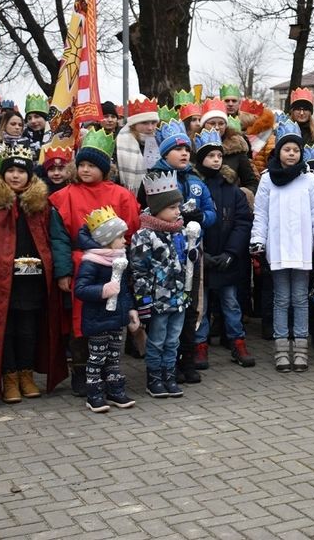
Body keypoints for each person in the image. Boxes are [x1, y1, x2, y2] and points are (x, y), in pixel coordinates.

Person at [49, 128, 142, 397]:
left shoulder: (121, 195)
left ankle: (110, 372)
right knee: (82, 321)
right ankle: (82, 370)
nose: (86, 170)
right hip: (83, 266)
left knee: (112, 320)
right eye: (82, 165)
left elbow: (132, 229)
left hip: (115, 264)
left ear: (104, 168)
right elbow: (59, 238)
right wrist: (64, 271)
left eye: (92, 165)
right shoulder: (65, 196)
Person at [0, 145, 66, 405]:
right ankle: (9, 376)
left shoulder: (40, 205)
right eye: (10, 170)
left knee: (28, 328)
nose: (15, 176)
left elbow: (51, 238)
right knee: (5, 329)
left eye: (20, 171)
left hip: (32, 280)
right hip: (0, 278)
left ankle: (26, 374)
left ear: (29, 175)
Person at [135, 119, 216, 384]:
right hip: (162, 257)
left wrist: (199, 217)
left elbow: (212, 214)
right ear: (164, 152)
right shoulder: (152, 179)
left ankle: (186, 359)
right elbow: (143, 212)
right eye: (177, 149)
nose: (184, 154)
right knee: (165, 316)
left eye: (187, 150)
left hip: (191, 254)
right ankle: (162, 369)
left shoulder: (196, 180)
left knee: (191, 306)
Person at [250, 120, 314, 372]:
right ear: (279, 152)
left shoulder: (309, 181)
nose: (291, 153)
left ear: (301, 153)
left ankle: (301, 349)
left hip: (303, 248)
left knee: (300, 299)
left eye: (296, 150)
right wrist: (257, 242)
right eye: (287, 149)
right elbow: (261, 214)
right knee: (281, 299)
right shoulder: (267, 180)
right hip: (279, 247)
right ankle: (282, 349)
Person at [131, 170, 201, 398]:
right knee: (157, 341)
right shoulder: (144, 236)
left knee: (173, 341)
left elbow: (187, 264)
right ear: (158, 208)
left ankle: (169, 375)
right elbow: (139, 271)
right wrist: (144, 303)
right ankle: (154, 379)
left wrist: (193, 252)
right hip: (158, 301)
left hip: (178, 299)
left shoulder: (180, 232)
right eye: (172, 208)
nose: (178, 211)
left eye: (178, 207)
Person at [193, 129, 255, 367]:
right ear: (201, 159)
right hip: (202, 257)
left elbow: (242, 222)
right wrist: (201, 255)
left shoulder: (233, 189)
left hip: (227, 258)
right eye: (211, 156)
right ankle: (200, 345)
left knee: (231, 302)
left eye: (219, 155)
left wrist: (231, 253)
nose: (216, 160)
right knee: (202, 304)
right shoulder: (195, 187)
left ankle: (238, 342)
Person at [73, 206, 139, 413]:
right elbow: (81, 289)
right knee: (97, 356)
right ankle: (94, 393)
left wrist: (130, 311)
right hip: (98, 319)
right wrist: (104, 290)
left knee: (114, 356)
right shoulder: (92, 261)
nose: (124, 240)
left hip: (117, 319)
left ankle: (115, 390)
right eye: (120, 237)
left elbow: (125, 290)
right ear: (107, 239)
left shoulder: (120, 258)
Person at [201, 98, 258, 198]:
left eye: (221, 123)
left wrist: (240, 196)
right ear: (203, 125)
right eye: (212, 123)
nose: (217, 127)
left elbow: (251, 182)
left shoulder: (237, 149)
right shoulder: (193, 148)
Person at [114, 97, 161, 193]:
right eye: (144, 123)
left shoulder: (157, 142)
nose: (150, 128)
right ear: (133, 124)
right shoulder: (119, 143)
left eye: (153, 123)